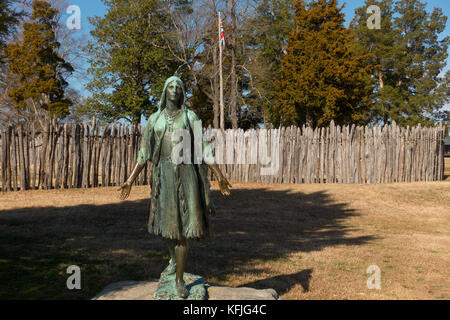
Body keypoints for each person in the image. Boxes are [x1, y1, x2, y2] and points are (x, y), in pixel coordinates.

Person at [118, 74, 231, 298]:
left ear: (182, 92)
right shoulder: (154, 120)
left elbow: (203, 146)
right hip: (163, 176)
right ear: (164, 91)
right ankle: (173, 261)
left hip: (186, 174)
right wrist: (130, 180)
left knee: (182, 231)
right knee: (166, 227)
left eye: (178, 86)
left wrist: (219, 175)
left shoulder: (190, 116)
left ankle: (179, 280)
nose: (174, 90)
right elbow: (145, 153)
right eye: (170, 86)